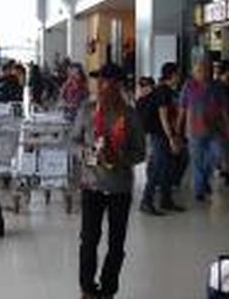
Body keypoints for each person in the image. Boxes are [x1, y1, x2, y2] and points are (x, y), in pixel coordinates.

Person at [78, 63, 145, 299]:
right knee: (88, 240)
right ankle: (87, 289)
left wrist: (121, 159)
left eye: (108, 82)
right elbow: (73, 141)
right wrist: (87, 154)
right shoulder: (87, 110)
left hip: (119, 187)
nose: (102, 86)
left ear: (118, 86)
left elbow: (141, 152)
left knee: (116, 244)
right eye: (100, 81)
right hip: (91, 184)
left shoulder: (130, 115)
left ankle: (108, 290)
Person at [178, 59, 229, 201]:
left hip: (214, 129)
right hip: (194, 130)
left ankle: (202, 181)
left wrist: (228, 128)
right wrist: (178, 129)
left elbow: (223, 110)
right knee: (197, 161)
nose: (204, 73)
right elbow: (182, 109)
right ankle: (199, 190)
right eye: (200, 70)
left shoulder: (217, 86)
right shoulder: (188, 87)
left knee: (218, 153)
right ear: (194, 73)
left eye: (206, 70)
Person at [140, 63, 185, 216]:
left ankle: (166, 200)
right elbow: (163, 116)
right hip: (159, 135)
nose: (179, 77)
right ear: (172, 75)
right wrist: (171, 138)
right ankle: (146, 201)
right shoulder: (163, 92)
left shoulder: (168, 91)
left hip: (164, 134)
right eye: (177, 74)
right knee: (159, 168)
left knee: (168, 166)